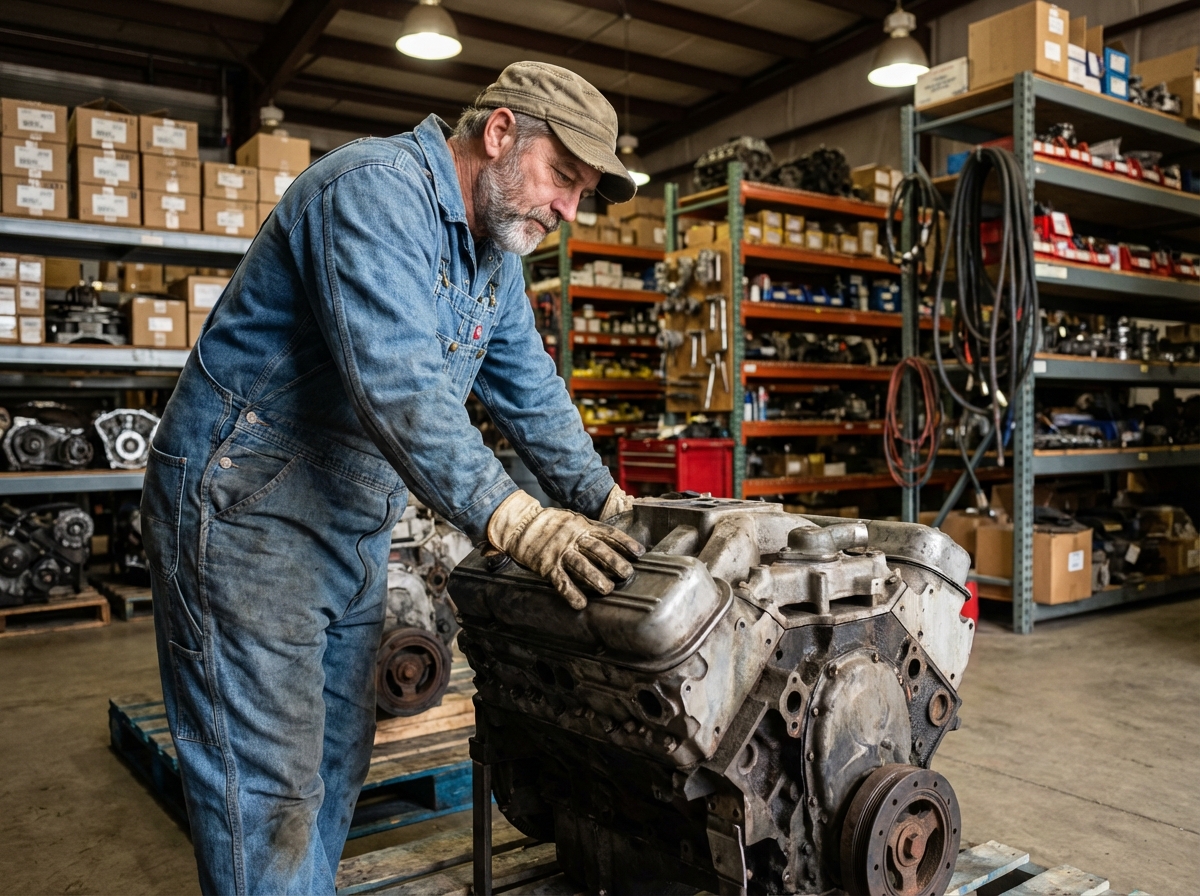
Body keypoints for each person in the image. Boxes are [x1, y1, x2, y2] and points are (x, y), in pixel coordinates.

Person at [141, 61, 646, 895]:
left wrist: (607, 505)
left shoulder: (492, 258)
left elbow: (530, 391)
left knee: (337, 761)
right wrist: (521, 523)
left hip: (348, 519)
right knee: (269, 789)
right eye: (563, 177)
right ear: (499, 133)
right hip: (246, 516)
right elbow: (400, 388)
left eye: (581, 193)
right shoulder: (372, 194)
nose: (568, 209)